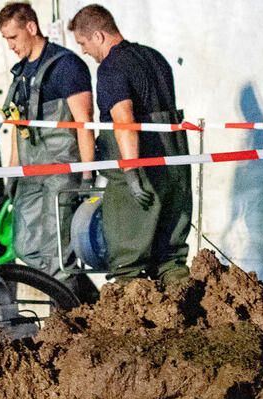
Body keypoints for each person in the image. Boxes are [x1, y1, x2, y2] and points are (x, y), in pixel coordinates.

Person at [68, 4, 192, 283]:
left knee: (128, 267)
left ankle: (132, 317)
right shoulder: (155, 58)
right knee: (171, 260)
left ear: (98, 36)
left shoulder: (112, 68)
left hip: (139, 168)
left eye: (84, 43)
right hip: (174, 164)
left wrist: (132, 173)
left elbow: (124, 120)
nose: (84, 52)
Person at [0, 2, 96, 294]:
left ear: (31, 27)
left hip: (61, 173)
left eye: (13, 37)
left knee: (58, 253)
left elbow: (84, 121)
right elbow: (17, 126)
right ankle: (85, 300)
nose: (10, 46)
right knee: (25, 247)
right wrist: (12, 174)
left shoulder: (66, 65)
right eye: (6, 40)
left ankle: (66, 319)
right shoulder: (21, 72)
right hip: (30, 174)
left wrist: (87, 177)